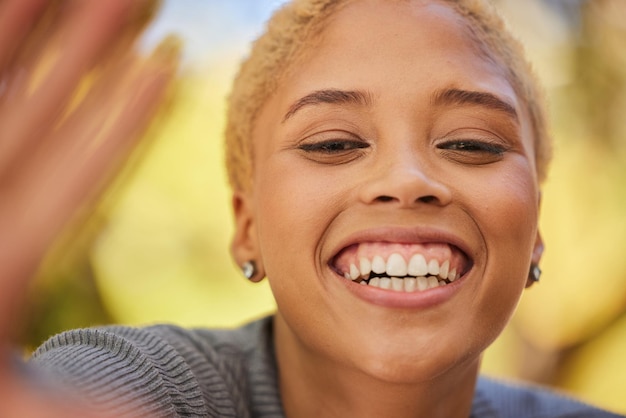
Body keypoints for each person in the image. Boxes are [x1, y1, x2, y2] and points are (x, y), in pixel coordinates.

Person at [0, 0, 623, 417]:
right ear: (247, 230)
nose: (406, 180)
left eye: (471, 143)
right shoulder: (152, 383)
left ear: (535, 230)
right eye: (334, 143)